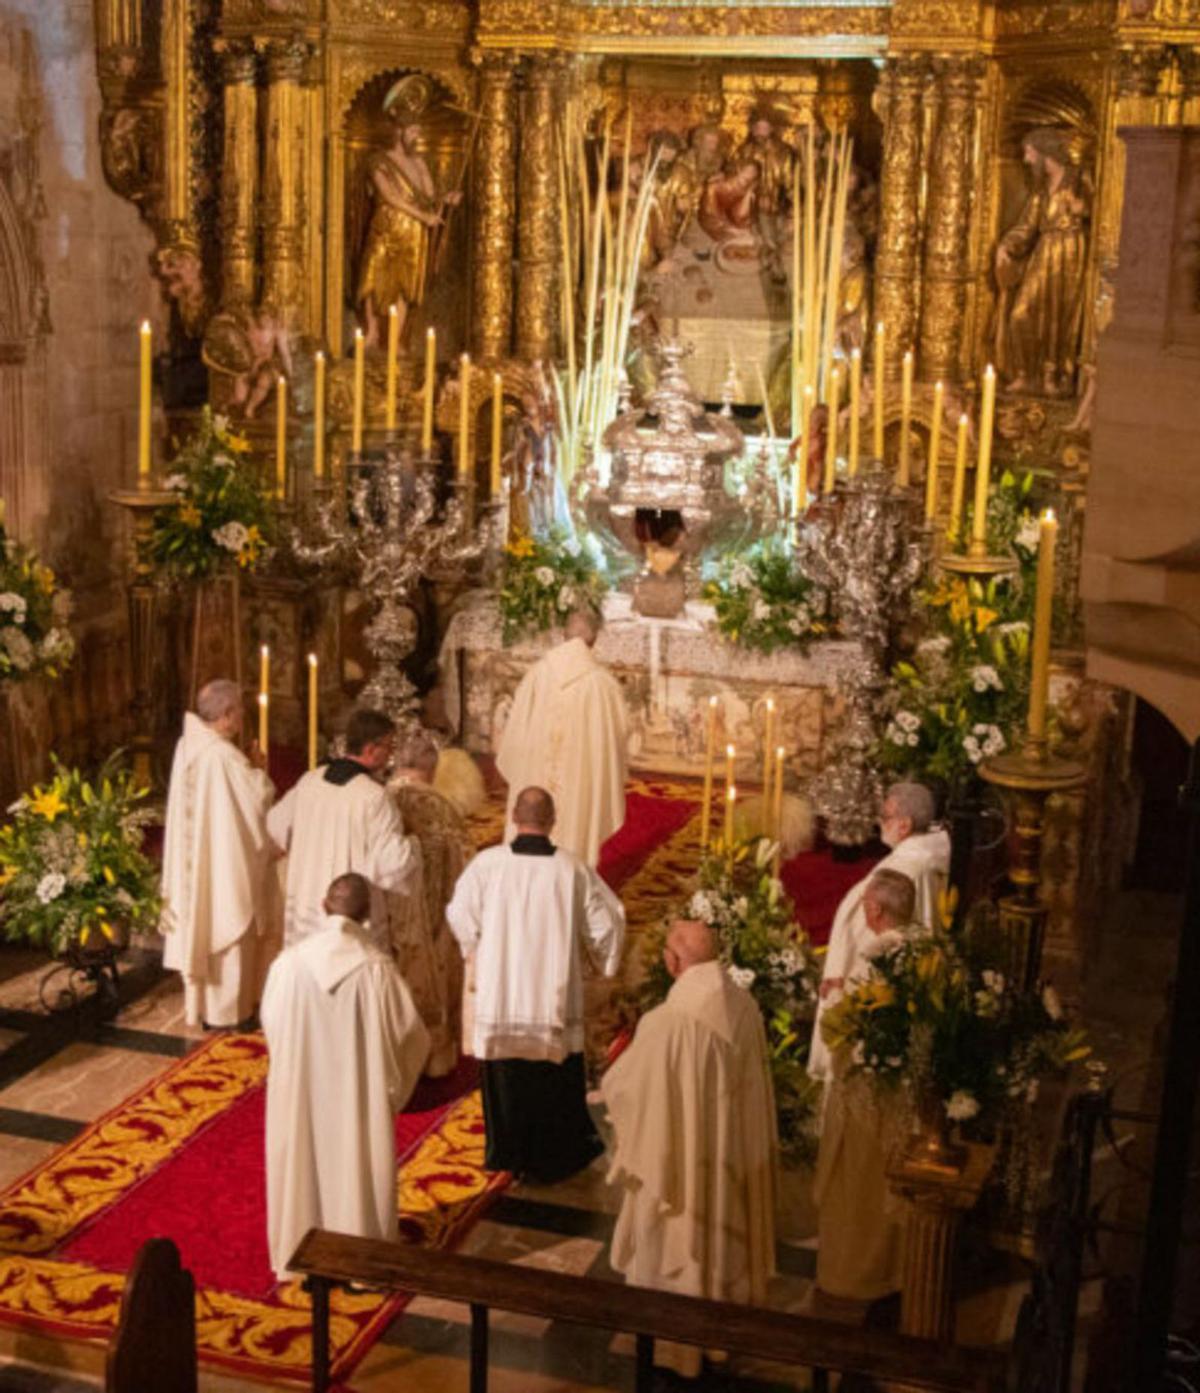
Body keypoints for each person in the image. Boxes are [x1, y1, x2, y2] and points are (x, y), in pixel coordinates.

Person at [601, 919, 776, 1379]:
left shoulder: (667, 1023)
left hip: (677, 1165)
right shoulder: (744, 1006)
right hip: (727, 1161)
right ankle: (720, 1333)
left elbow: (626, 1089)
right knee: (720, 1234)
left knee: (675, 1236)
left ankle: (675, 1347)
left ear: (673, 961)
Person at [446, 786, 625, 1183]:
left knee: (506, 1075)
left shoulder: (486, 865)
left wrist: (478, 950)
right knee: (553, 1078)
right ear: (553, 820)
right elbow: (607, 923)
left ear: (513, 817)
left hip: (501, 992)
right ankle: (554, 1157)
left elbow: (459, 914)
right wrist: (602, 962)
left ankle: (507, 1152)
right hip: (552, 996)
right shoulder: (571, 869)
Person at [262, 872, 429, 1279]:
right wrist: (390, 1085)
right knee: (358, 1160)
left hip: (300, 1090)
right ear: (369, 914)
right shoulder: (375, 970)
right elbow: (411, 1036)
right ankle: (361, 1266)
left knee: (302, 1160)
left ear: (323, 905)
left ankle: (301, 1259)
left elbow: (273, 1026)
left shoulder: (289, 965)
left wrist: (299, 1065)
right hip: (359, 1093)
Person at [814, 868, 916, 1308]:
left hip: (866, 1099)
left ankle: (852, 1274)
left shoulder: (878, 958)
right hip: (902, 1099)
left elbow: (850, 1032)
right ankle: (895, 1269)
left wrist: (834, 998)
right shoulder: (921, 947)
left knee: (857, 1189)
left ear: (874, 910)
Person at [809, 782, 950, 1084]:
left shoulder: (908, 865)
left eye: (885, 816)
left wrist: (841, 975)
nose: (880, 823)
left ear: (905, 824)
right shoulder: (926, 854)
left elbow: (870, 925)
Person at [160, 679, 278, 1029]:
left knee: (206, 920)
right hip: (224, 862)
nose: (243, 716)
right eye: (240, 710)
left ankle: (210, 1010)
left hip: (202, 860)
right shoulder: (225, 757)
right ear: (226, 715)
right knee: (230, 923)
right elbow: (257, 801)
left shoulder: (189, 744)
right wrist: (258, 768)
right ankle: (231, 1013)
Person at [267, 707, 421, 949]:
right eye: (389, 746)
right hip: (350, 915)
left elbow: (275, 827)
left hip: (307, 908)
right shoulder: (373, 797)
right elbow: (391, 863)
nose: (391, 754)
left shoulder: (310, 780)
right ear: (371, 749)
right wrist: (413, 844)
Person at [495, 609, 628, 867]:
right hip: (579, 782)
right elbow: (617, 742)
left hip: (534, 774)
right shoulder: (603, 685)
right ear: (594, 640)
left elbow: (514, 734)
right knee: (575, 838)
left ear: (563, 635)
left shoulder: (537, 674)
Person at [387, 729, 473, 1077]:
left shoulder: (378, 798)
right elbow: (464, 871)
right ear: (433, 767)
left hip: (387, 914)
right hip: (433, 917)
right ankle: (433, 1059)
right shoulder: (443, 809)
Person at [355, 78, 462, 347]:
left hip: (413, 233)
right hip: (386, 226)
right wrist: (423, 216)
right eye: (412, 130)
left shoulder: (420, 163)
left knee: (405, 285)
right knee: (372, 277)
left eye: (418, 130)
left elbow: (429, 198)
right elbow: (388, 196)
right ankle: (371, 333)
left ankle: (394, 340)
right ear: (398, 131)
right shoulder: (378, 161)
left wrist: (445, 201)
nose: (417, 136)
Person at [994, 126, 1090, 398]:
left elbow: (1100, 208)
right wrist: (1005, 245)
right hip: (1045, 249)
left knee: (1060, 314)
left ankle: (1054, 375)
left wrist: (1081, 209)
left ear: (1044, 152)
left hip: (1071, 249)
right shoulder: (1041, 191)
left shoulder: (1078, 178)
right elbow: (1027, 226)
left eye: (1029, 153)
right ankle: (1025, 374)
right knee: (1021, 314)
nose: (1025, 160)